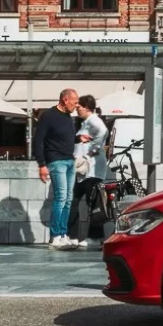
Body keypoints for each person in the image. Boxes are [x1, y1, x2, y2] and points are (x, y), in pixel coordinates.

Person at [31, 89, 81, 251]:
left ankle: (63, 233)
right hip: (56, 161)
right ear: (65, 100)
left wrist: (79, 138)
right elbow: (38, 141)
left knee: (68, 199)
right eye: (74, 102)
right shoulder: (48, 116)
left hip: (69, 161)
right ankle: (55, 237)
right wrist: (41, 164)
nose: (76, 105)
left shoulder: (68, 118)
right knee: (60, 197)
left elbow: (65, 138)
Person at [70, 94, 111, 250]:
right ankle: (77, 236)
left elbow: (102, 131)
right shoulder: (86, 122)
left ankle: (95, 236)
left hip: (91, 168)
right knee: (81, 200)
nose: (77, 109)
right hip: (85, 168)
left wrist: (92, 150)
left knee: (92, 202)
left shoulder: (94, 121)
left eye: (79, 107)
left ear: (86, 107)